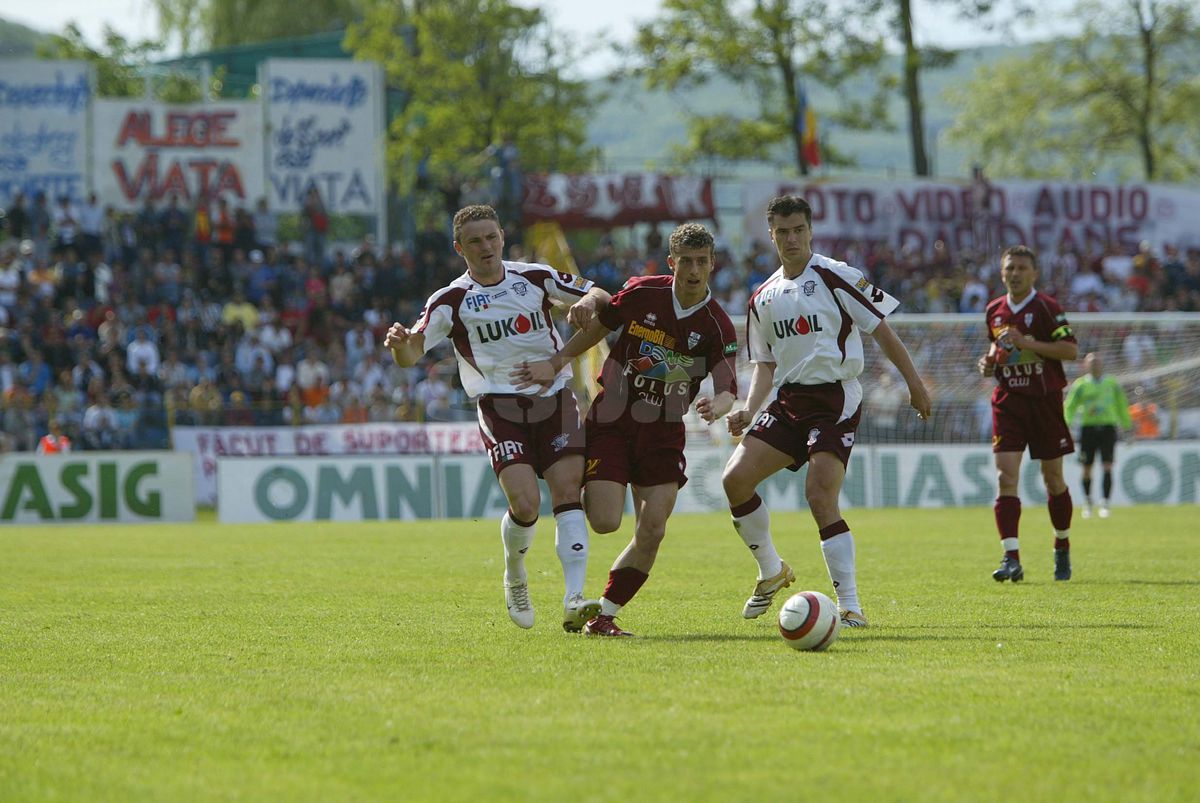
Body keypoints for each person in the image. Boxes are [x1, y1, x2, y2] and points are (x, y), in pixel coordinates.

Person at [385, 204, 611, 632]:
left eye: (491, 237)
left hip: (554, 399)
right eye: (474, 241)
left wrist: (583, 304)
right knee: (525, 505)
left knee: (568, 491)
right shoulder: (450, 300)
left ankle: (574, 597)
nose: (485, 247)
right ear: (459, 248)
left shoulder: (534, 276)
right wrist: (399, 344)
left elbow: (601, 294)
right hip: (500, 407)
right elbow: (411, 354)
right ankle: (515, 573)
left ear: (502, 237)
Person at [512, 223, 739, 637]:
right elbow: (600, 324)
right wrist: (559, 361)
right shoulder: (643, 292)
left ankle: (604, 616)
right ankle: (573, 539)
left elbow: (727, 387)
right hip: (613, 420)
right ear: (671, 263)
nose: (693, 269)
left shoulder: (716, 325)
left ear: (711, 265)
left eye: (701, 262)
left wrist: (718, 407)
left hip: (664, 432)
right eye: (685, 261)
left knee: (653, 527)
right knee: (604, 521)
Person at [721, 195, 932, 628]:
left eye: (799, 229)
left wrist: (915, 384)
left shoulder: (837, 276)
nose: (791, 237)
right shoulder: (762, 296)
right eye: (783, 231)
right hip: (787, 399)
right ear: (771, 235)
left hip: (835, 397)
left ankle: (850, 605)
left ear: (810, 230)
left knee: (819, 494)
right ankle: (770, 571)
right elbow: (764, 365)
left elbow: (882, 331)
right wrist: (748, 408)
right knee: (735, 480)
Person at [977, 244, 1079, 582]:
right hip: (1008, 401)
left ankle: (1061, 545)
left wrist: (1027, 343)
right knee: (1005, 477)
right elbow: (998, 351)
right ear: (1002, 272)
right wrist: (987, 362)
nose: (1015, 274)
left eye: (1022, 268)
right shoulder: (993, 310)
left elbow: (1070, 350)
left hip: (1045, 402)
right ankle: (1011, 557)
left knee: (1053, 480)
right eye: (1010, 268)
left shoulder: (1047, 308)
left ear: (1034, 273)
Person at [1064, 352, 1131, 519]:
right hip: (1088, 429)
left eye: (1097, 362)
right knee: (1087, 468)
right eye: (1091, 363)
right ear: (1086, 365)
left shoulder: (1112, 383)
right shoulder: (1081, 385)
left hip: (1108, 428)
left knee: (1107, 465)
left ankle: (1105, 503)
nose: (1094, 365)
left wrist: (1127, 426)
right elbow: (1070, 406)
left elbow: (1122, 404)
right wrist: (1067, 426)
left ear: (1102, 364)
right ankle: (1087, 502)